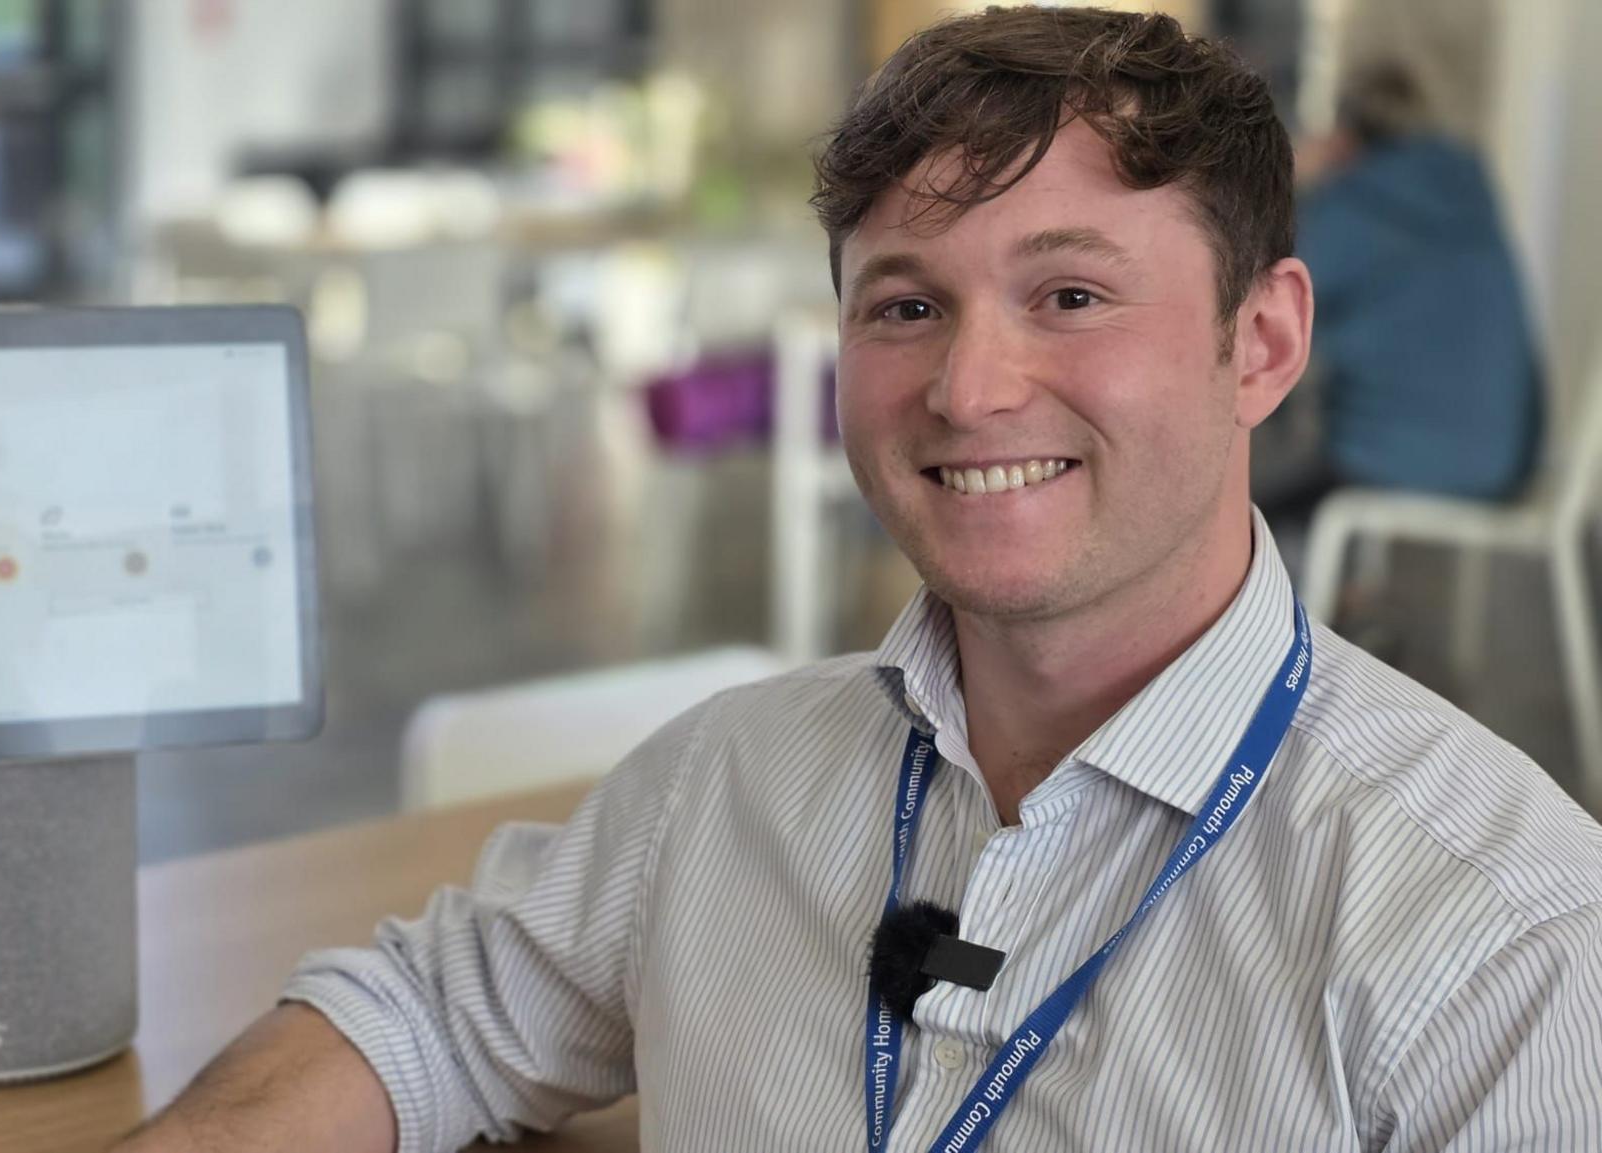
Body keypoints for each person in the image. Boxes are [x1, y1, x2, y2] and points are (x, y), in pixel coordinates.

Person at [118, 9, 1602, 1151]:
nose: (968, 387)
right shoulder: (724, 785)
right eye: (906, 304)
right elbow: (424, 1016)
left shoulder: (1502, 941)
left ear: (1261, 344)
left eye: (1070, 296)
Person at [1253, 61, 1544, 526]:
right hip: (1507, 461)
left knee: (1244, 504)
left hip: (1415, 460)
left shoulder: (1356, 204)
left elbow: (1266, 294)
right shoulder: (1465, 187)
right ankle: (1343, 589)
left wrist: (1298, 182)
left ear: (1344, 138)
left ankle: (1282, 596)